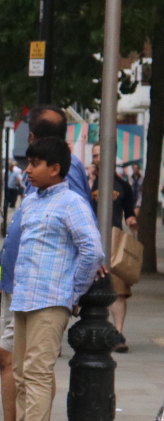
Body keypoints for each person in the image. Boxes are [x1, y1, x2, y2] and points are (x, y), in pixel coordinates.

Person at [0, 106, 92, 421]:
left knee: (36, 372)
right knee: (20, 370)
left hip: (50, 298)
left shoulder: (71, 202)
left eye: (35, 163)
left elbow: (91, 249)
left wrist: (73, 292)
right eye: (28, 163)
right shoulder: (36, 198)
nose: (27, 169)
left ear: (54, 169)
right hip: (24, 294)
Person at [89, 143, 137, 351]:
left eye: (101, 154)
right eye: (95, 155)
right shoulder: (88, 182)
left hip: (115, 240)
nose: (98, 158)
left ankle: (117, 332)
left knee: (118, 288)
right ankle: (92, 329)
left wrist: (133, 220)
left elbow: (130, 212)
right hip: (90, 239)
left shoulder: (122, 185)